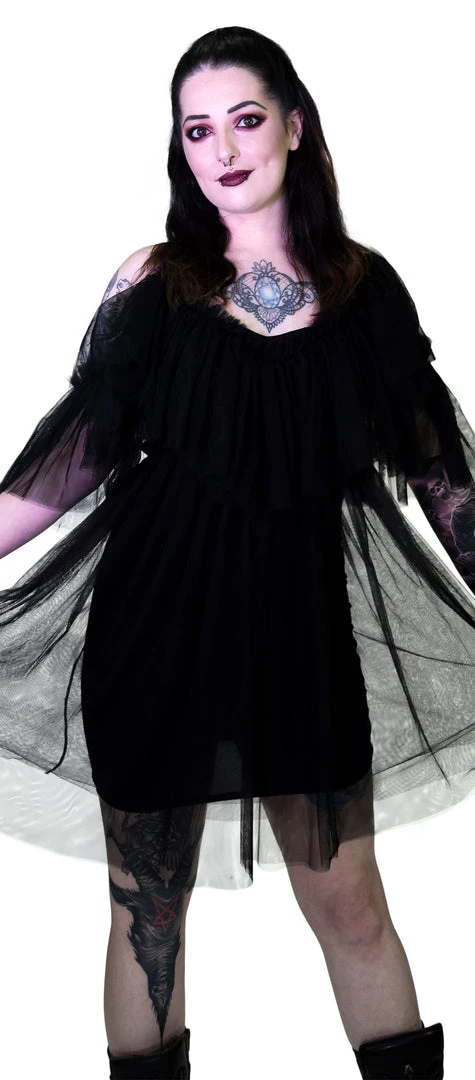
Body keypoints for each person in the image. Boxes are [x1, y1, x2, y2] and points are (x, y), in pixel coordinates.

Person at [0, 24, 473, 1080]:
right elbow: (76, 457)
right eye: (196, 129)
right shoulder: (153, 280)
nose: (222, 148)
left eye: (245, 120)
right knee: (150, 915)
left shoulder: (365, 292)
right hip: (155, 627)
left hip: (300, 636)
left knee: (350, 905)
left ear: (294, 127)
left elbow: (441, 475)